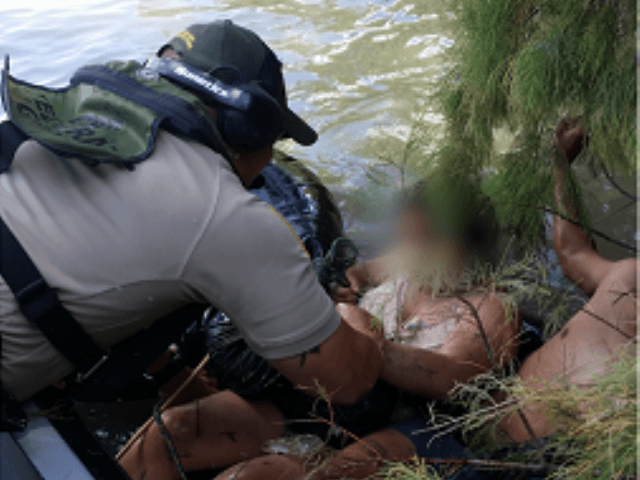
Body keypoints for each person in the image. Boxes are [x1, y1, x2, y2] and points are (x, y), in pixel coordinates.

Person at [0, 18, 384, 452]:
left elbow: (100, 253)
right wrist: (367, 331)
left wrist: (168, 372)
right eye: (274, 136)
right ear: (249, 125)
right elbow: (345, 382)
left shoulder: (83, 113)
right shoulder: (219, 213)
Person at [206, 118, 637, 480]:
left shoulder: (492, 306)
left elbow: (448, 377)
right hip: (348, 399)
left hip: (440, 430)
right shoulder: (403, 263)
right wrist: (345, 287)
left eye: (431, 237)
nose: (416, 244)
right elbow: (574, 253)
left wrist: (360, 339)